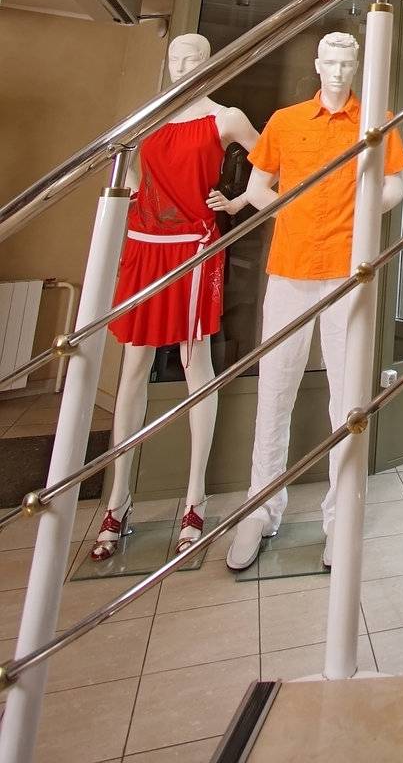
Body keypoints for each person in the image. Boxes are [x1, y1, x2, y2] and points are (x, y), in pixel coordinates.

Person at [209, 30, 403, 572]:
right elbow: (257, 187)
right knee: (276, 387)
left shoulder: (375, 120)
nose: (339, 72)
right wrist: (289, 212)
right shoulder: (285, 122)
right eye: (331, 62)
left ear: (357, 65)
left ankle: (339, 518)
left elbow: (394, 186)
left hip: (348, 270)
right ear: (318, 65)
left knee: (346, 396)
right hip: (291, 270)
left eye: (348, 63)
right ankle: (261, 509)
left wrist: (370, 211)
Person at [91, 35, 259, 560]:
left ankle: (195, 500)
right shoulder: (149, 117)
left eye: (193, 58)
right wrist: (145, 196)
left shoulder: (224, 117)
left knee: (195, 364)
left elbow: (275, 159)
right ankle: (118, 500)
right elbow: (131, 171)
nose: (182, 65)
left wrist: (235, 200)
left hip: (191, 249)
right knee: (134, 368)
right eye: (175, 57)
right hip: (145, 249)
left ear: (209, 62)